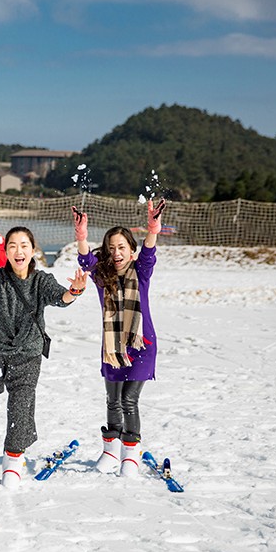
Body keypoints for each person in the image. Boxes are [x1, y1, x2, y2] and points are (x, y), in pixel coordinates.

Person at [0, 226, 87, 488]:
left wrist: (74, 291)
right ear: (5, 251)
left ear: (33, 251)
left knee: (21, 405)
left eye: (24, 245)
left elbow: (59, 296)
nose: (18, 250)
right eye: (12, 245)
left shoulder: (42, 280)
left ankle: (12, 461)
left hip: (28, 354)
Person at [72, 199, 166, 477]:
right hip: (113, 347)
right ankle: (111, 452)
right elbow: (86, 260)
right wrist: (81, 237)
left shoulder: (142, 272)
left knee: (128, 401)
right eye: (111, 248)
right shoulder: (102, 277)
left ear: (131, 250)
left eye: (122, 247)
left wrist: (152, 228)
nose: (116, 253)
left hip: (142, 345)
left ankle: (130, 455)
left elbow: (149, 253)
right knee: (112, 400)